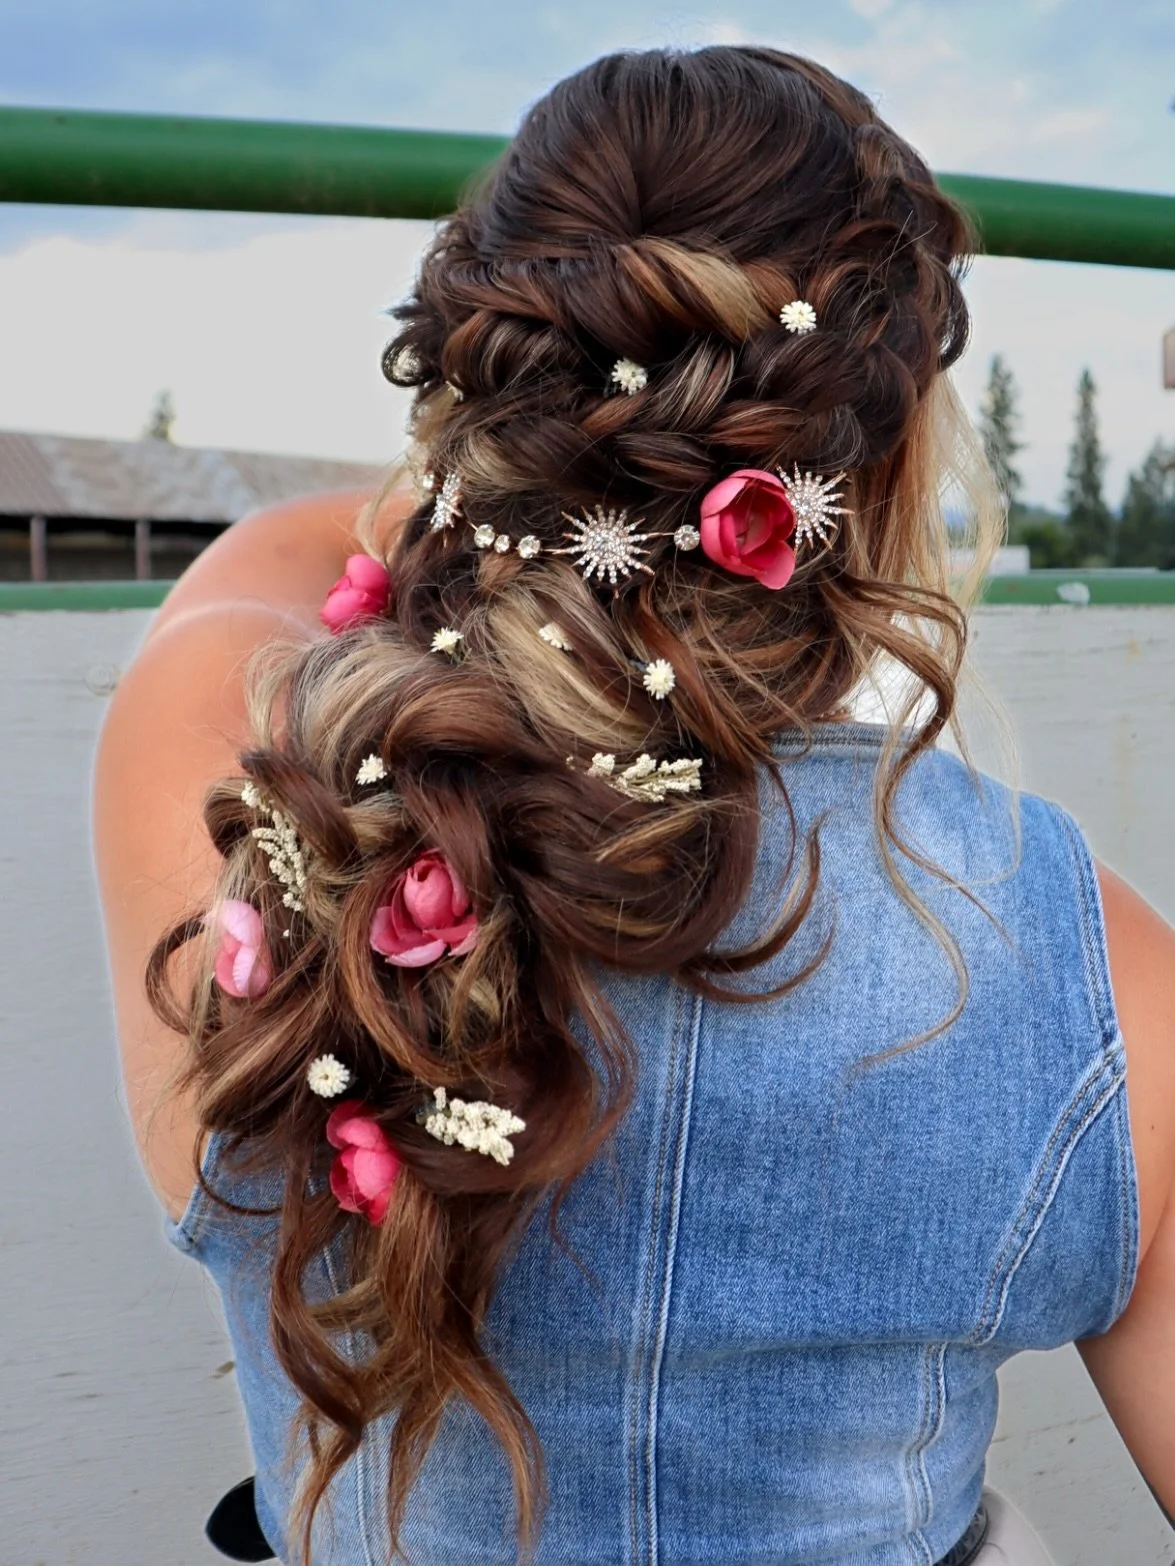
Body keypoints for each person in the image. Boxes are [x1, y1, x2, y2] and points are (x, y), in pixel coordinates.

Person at [92, 46, 1175, 1566]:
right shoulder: (1092, 971)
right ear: (881, 468)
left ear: (478, 420)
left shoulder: (260, 832)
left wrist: (532, 479)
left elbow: (253, 584)